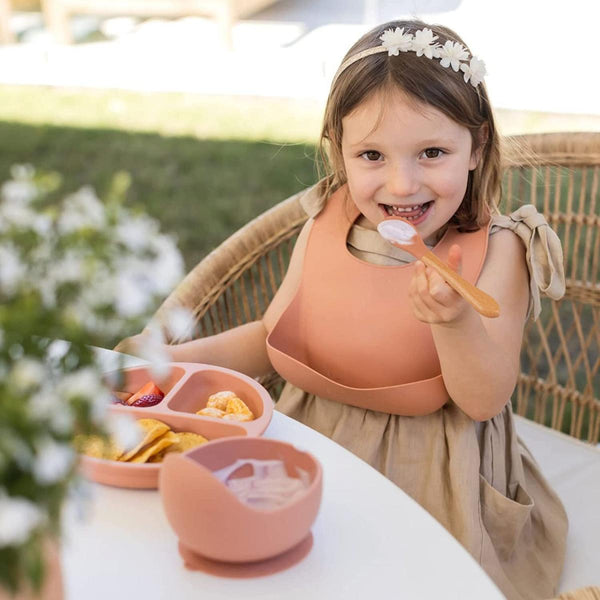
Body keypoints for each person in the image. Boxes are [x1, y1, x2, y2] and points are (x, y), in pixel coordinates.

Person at [117, 19, 568, 599]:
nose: (402, 185)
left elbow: (482, 398)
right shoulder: (329, 221)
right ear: (340, 152)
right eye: (372, 155)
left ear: (477, 147)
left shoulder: (498, 249)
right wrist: (167, 360)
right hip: (313, 445)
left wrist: (454, 322)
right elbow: (273, 339)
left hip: (433, 475)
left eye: (432, 152)